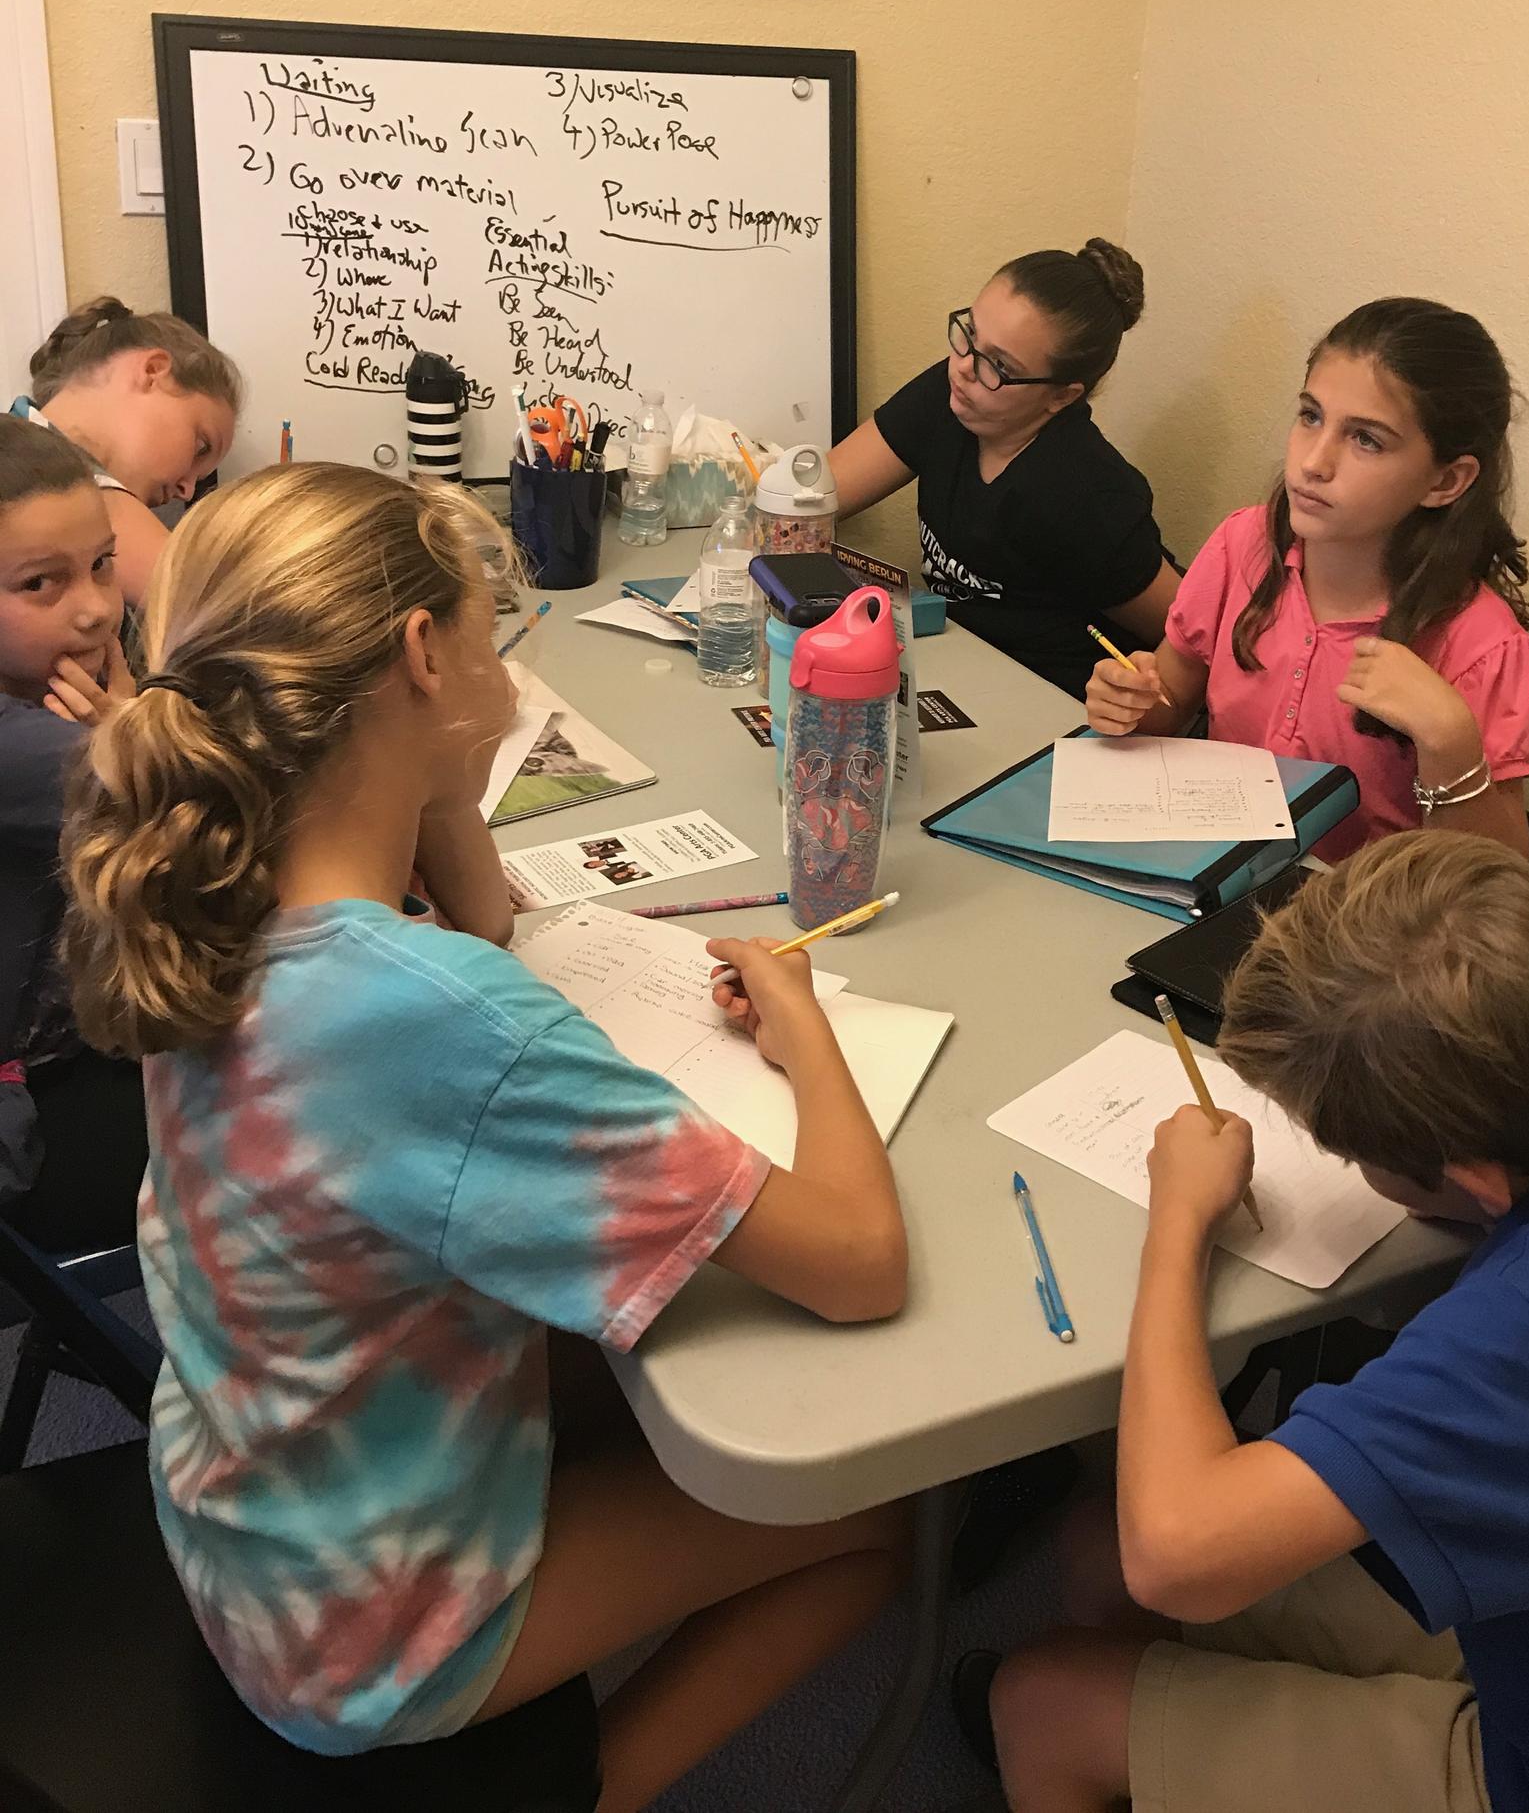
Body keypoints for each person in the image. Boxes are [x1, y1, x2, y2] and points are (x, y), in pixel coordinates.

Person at [58, 462, 908, 1804]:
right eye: (488, 634)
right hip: (353, 1637)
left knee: (642, 1375)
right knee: (869, 1519)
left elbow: (490, 920)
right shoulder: (436, 1015)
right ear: (420, 654)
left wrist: (433, 765)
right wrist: (805, 1035)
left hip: (243, 1502)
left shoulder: (215, 887)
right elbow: (861, 1261)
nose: (506, 664)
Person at [983, 833, 1529, 1813]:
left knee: (1037, 1700)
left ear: (1474, 1179)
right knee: (1093, 1551)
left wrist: (1179, 1223)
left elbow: (1175, 1551)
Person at [1085, 296, 1529, 857]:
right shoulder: (1243, 545)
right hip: (1218, 867)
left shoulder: (1483, 648)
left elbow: (1496, 874)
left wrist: (1450, 741)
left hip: (1359, 905)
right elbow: (1169, 699)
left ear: (1445, 481)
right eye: (1311, 416)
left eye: (1366, 439)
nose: (1313, 462)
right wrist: (1129, 702)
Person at [829, 239, 1179, 697]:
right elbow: (814, 497)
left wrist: (1133, 698)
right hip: (962, 671)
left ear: (1062, 396)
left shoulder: (1083, 493)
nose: (963, 367)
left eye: (998, 364)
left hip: (1058, 701)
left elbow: (1191, 636)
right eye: (970, 334)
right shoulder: (952, 394)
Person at [0, 415, 144, 1244]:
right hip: (30, 1105)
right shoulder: (26, 751)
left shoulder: (54, 694)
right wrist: (134, 734)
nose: (95, 610)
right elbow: (219, 810)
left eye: (102, 564)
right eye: (40, 584)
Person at [15, 296, 241, 606]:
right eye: (201, 447)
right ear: (153, 371)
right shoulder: (57, 479)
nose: (187, 490)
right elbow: (221, 611)